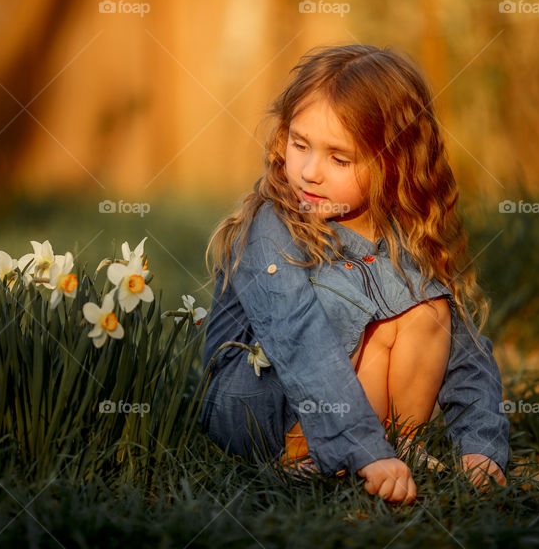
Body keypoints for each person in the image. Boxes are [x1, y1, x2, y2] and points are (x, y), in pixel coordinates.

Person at [199, 44, 509, 506]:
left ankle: (402, 448)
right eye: (299, 144)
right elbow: (300, 341)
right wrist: (365, 448)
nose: (308, 172)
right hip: (258, 407)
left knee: (429, 306)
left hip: (348, 411)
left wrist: (482, 450)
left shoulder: (406, 236)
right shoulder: (271, 227)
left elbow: (467, 356)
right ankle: (336, 456)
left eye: (339, 159)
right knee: (346, 304)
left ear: (394, 162)